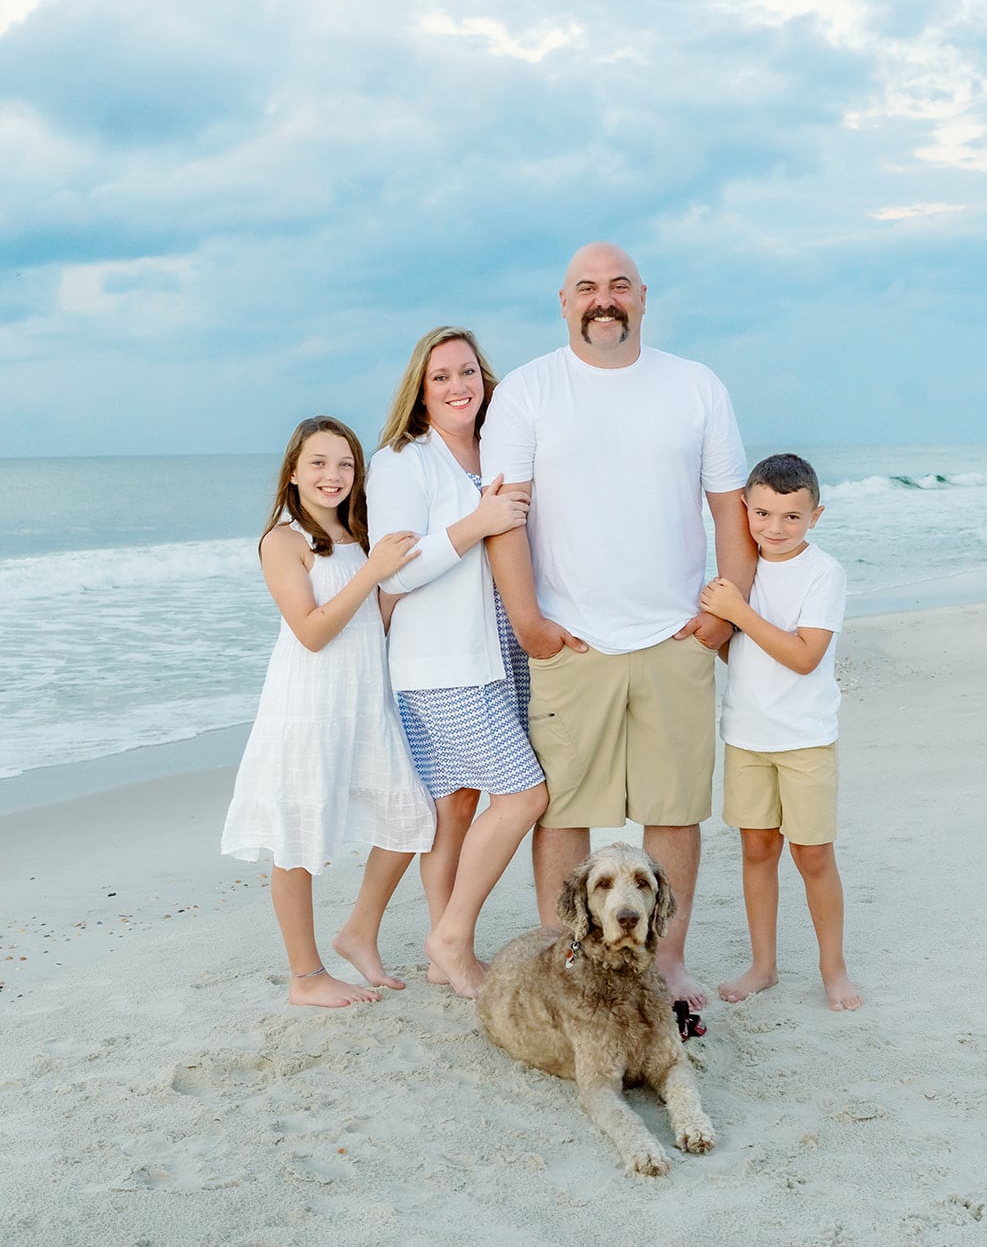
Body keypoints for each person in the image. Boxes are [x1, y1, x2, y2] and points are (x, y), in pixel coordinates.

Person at [480, 241, 755, 1010]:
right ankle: (567, 964)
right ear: (563, 302)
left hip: (675, 638)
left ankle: (664, 966)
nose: (604, 299)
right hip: (572, 643)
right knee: (567, 812)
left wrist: (719, 615)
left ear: (642, 297)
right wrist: (528, 622)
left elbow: (728, 505)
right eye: (587, 288)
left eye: (618, 286)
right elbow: (507, 515)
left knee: (672, 809)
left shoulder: (694, 386)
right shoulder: (530, 391)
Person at [346, 328, 548, 999]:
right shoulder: (403, 461)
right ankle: (453, 936)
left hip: (496, 651)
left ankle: (442, 956)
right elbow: (394, 574)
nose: (458, 386)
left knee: (454, 805)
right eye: (441, 377)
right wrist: (477, 522)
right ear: (420, 392)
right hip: (442, 665)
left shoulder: (497, 449)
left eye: (468, 372)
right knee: (523, 795)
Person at [221, 416, 436, 1009]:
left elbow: (378, 619)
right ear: (294, 472)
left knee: (410, 819)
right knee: (299, 841)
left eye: (344, 463)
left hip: (367, 702)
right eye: (317, 463)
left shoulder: (364, 535)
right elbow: (312, 632)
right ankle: (306, 976)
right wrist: (373, 573)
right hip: (308, 708)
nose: (332, 475)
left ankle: (358, 933)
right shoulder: (283, 542)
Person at [700, 452, 862, 1011]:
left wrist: (737, 613)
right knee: (757, 849)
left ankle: (833, 968)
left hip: (805, 740)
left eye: (791, 517)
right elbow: (735, 652)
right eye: (763, 513)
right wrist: (718, 619)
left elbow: (801, 657)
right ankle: (763, 965)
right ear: (743, 508)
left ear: (816, 515)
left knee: (813, 855)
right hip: (746, 736)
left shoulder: (824, 573)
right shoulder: (741, 572)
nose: (774, 528)